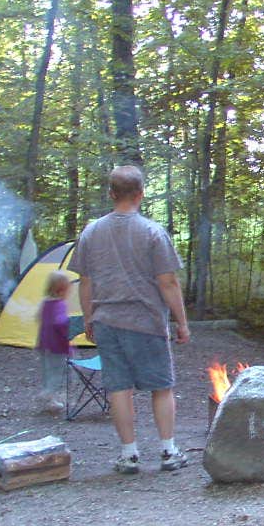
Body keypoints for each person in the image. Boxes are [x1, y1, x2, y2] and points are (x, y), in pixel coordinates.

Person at [69, 165, 191, 474]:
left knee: (118, 388)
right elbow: (168, 282)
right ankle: (167, 451)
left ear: (111, 194)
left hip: (107, 320)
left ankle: (129, 454)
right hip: (147, 321)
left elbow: (85, 281)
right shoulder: (152, 232)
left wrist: (89, 317)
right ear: (141, 194)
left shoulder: (91, 231)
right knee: (161, 386)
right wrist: (182, 322)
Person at [36, 270, 73, 414]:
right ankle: (49, 394)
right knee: (58, 371)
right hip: (57, 345)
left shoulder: (45, 303)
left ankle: (49, 395)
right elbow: (60, 323)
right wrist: (68, 330)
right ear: (63, 290)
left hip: (44, 343)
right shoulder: (61, 304)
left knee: (47, 371)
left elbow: (39, 318)